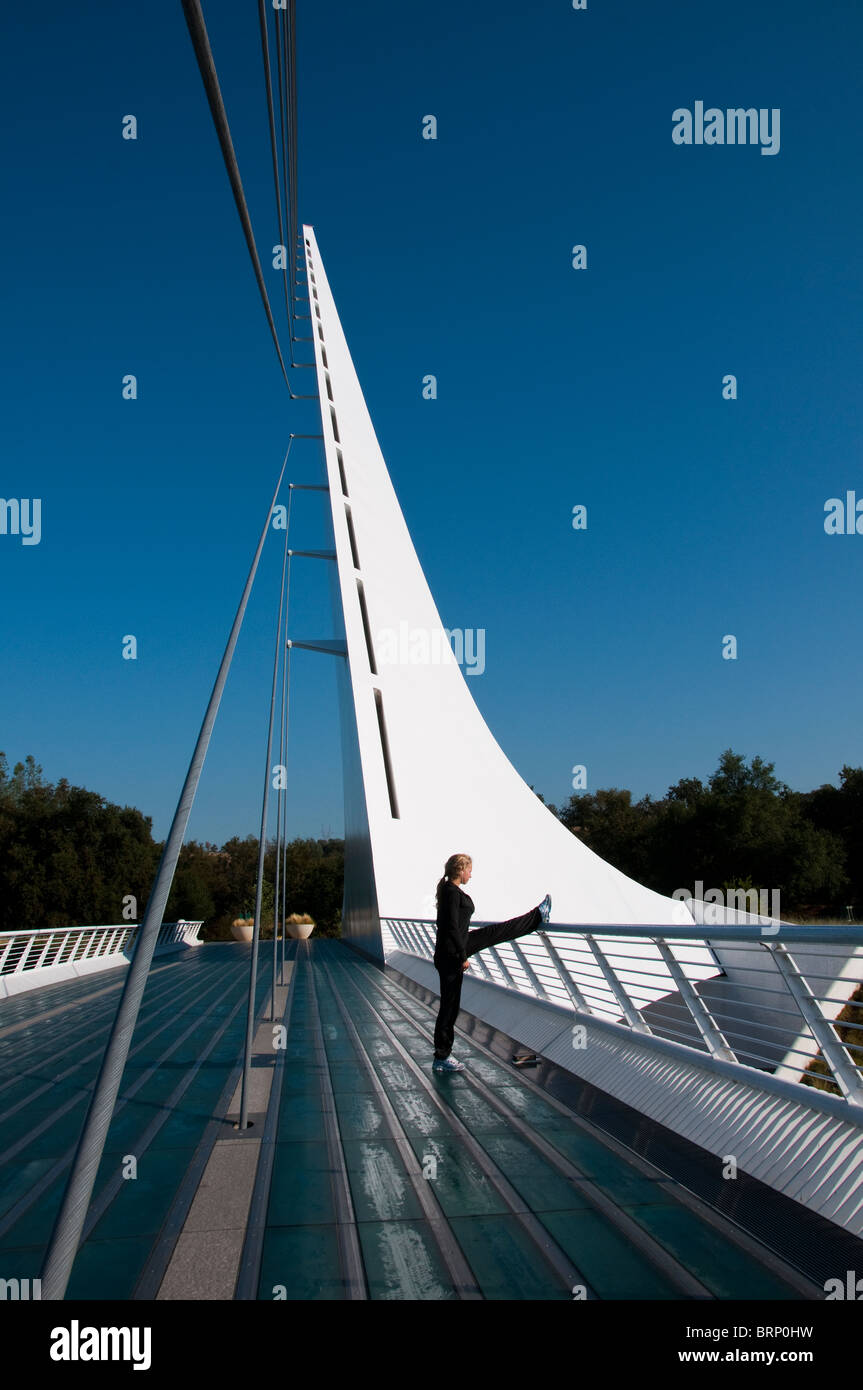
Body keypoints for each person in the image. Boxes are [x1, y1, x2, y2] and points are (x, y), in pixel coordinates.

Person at [431, 852, 551, 1073]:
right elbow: (449, 927)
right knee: (449, 1007)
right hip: (453, 953)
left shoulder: (450, 890)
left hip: (454, 949)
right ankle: (441, 1056)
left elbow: (452, 926)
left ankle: (536, 916)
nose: (471, 874)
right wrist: (462, 956)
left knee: (497, 932)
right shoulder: (450, 892)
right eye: (469, 870)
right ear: (460, 870)